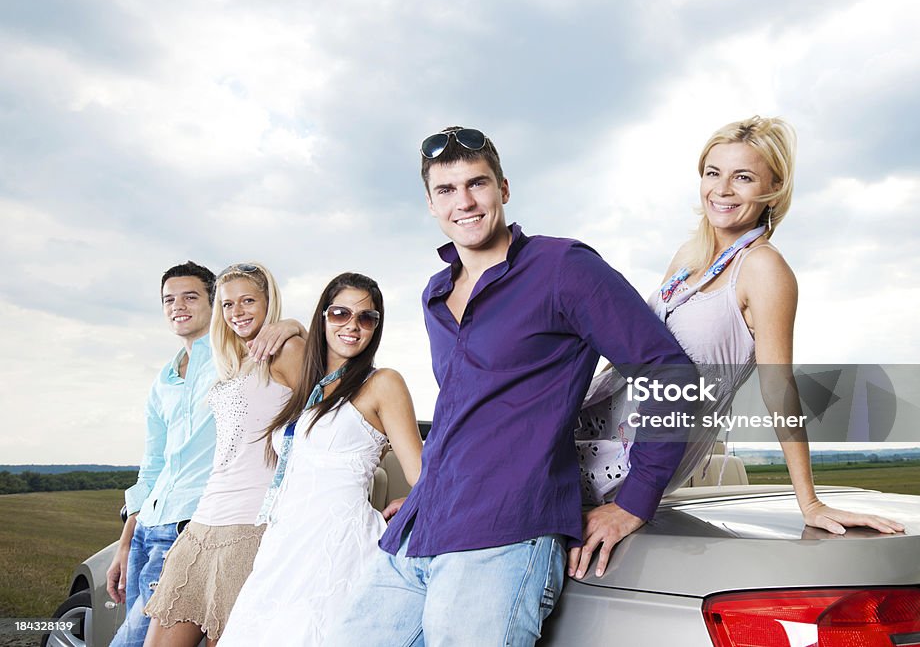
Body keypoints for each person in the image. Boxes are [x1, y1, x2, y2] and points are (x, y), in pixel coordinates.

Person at [328, 127, 700, 646]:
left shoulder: (562, 268)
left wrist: (636, 500)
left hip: (505, 534)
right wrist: (425, 491)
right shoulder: (435, 294)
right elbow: (470, 411)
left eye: (476, 184)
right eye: (446, 190)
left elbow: (670, 371)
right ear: (431, 204)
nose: (464, 201)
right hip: (420, 531)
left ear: (503, 188)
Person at [577, 116, 904, 535]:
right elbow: (635, 352)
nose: (723, 189)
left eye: (743, 177)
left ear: (773, 190)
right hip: (593, 416)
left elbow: (778, 387)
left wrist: (811, 503)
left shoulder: (763, 269)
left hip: (637, 457)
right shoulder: (687, 257)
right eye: (713, 173)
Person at [218, 272, 422, 646]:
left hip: (338, 544)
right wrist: (293, 326)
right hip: (285, 541)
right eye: (340, 313)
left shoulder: (383, 383)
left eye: (366, 318)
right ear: (323, 316)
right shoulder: (309, 385)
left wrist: (414, 501)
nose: (352, 325)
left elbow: (421, 473)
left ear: (377, 326)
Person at [106, 262, 301, 647]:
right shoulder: (180, 375)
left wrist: (294, 326)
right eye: (168, 300)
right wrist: (127, 537)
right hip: (178, 527)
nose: (178, 306)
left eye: (190, 297)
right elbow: (154, 466)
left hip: (230, 523)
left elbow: (322, 395)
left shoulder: (271, 349)